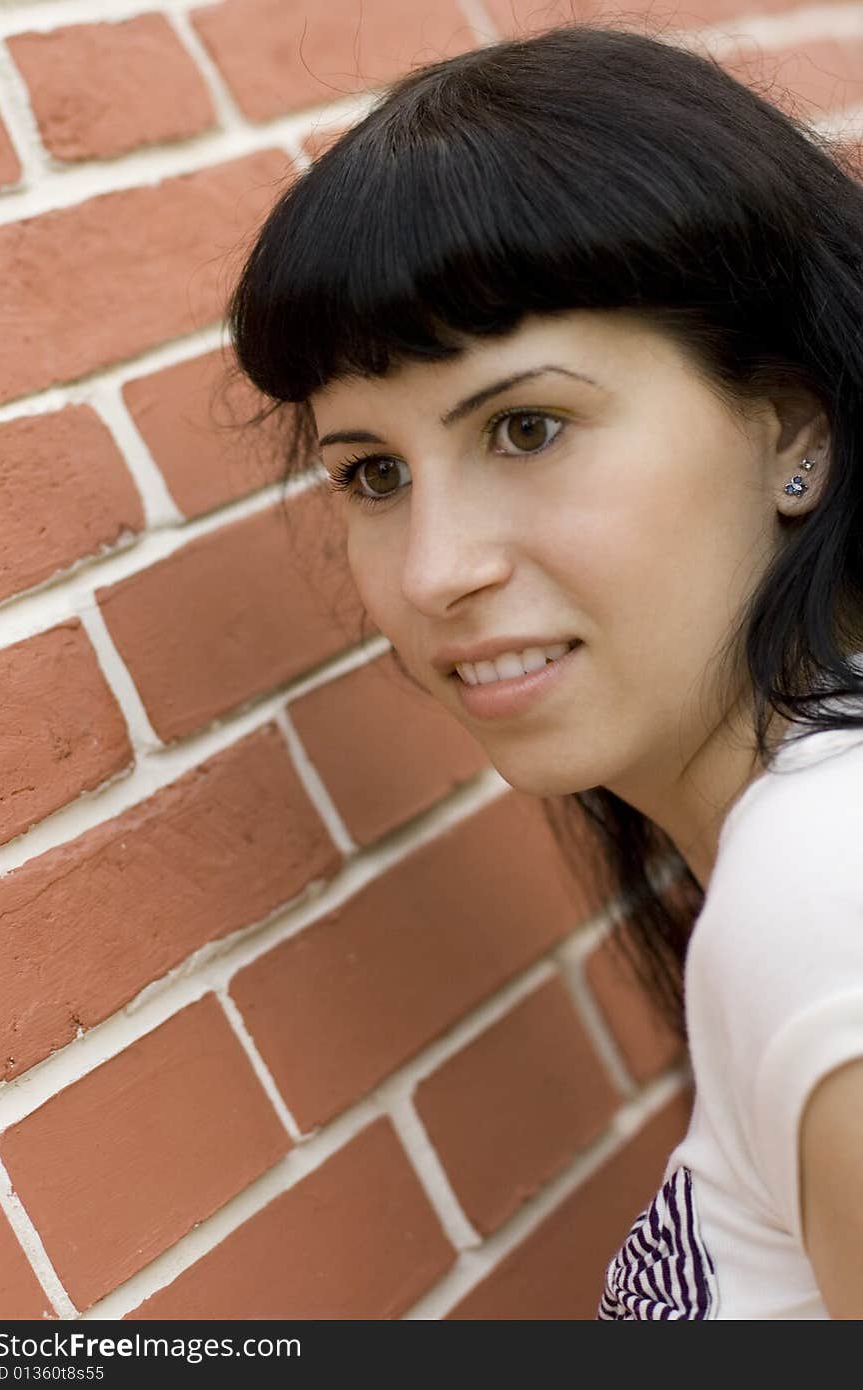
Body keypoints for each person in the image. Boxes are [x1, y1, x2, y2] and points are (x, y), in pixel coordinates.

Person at [225, 20, 863, 1319]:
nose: (431, 572)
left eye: (528, 427)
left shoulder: (820, 896)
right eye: (374, 475)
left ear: (792, 424)